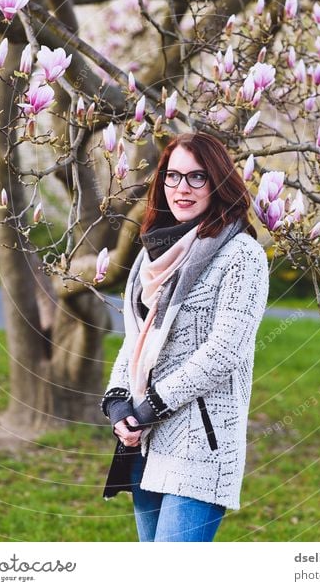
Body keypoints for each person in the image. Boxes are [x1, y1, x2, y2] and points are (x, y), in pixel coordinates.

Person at [100, 131, 269, 542]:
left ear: (218, 183)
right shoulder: (151, 254)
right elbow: (135, 338)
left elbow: (223, 351)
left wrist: (152, 405)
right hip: (144, 439)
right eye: (173, 177)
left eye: (197, 177)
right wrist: (119, 400)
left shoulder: (242, 256)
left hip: (200, 447)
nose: (182, 188)